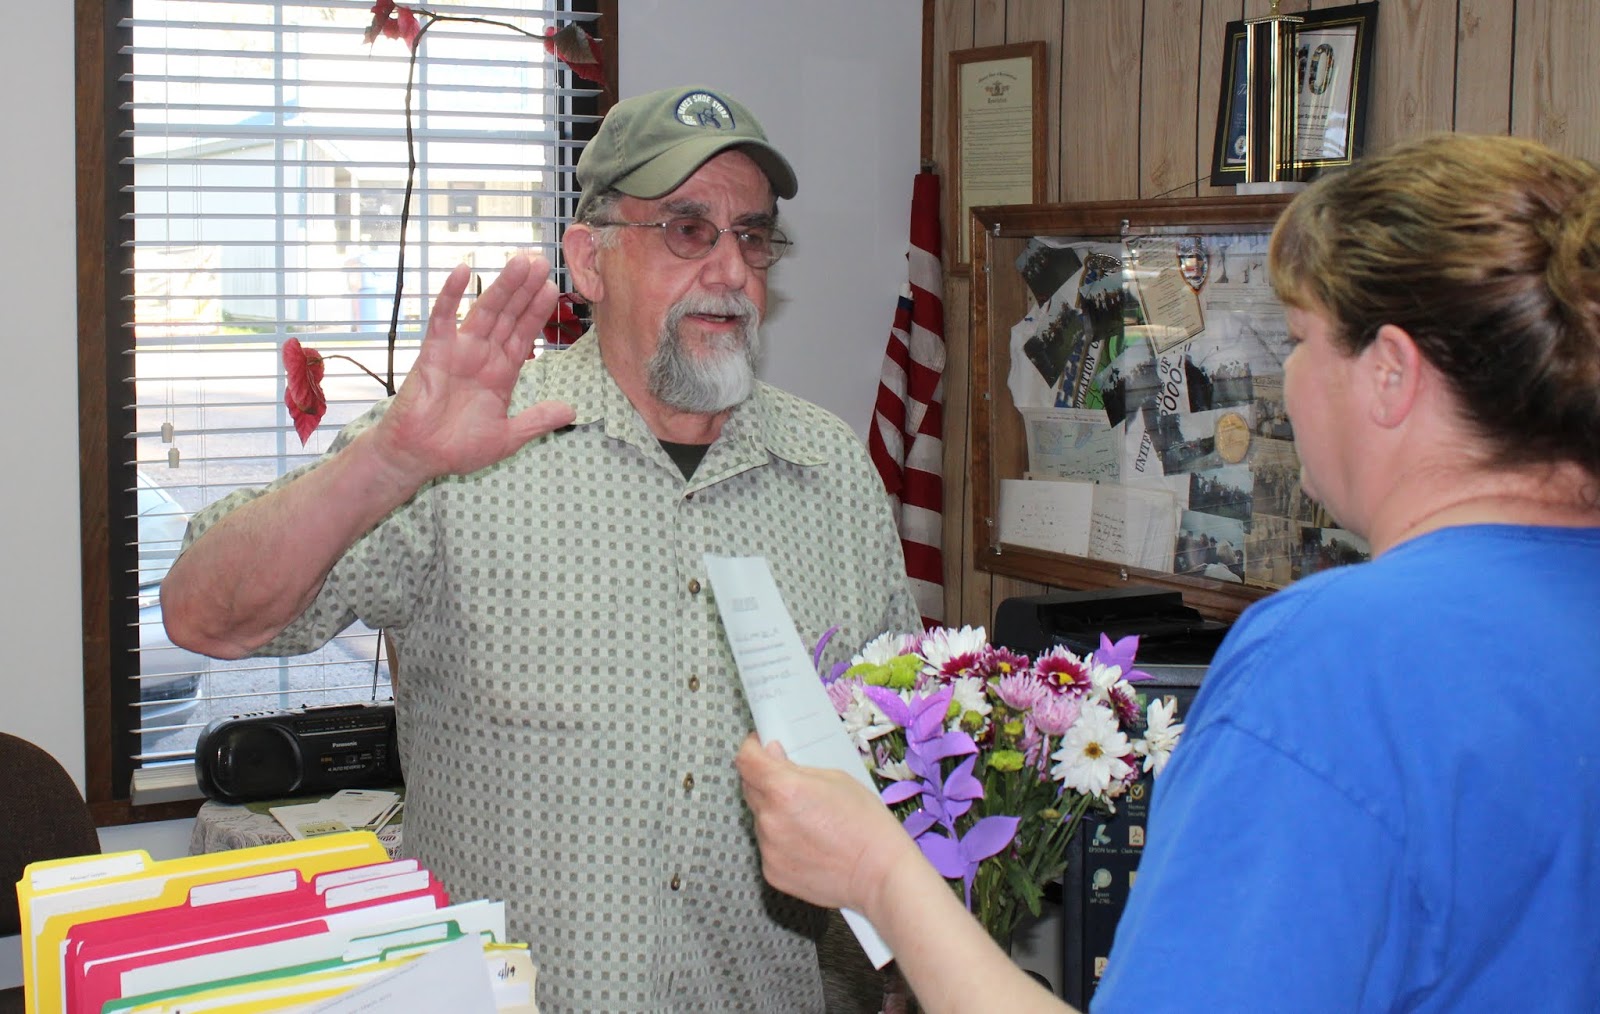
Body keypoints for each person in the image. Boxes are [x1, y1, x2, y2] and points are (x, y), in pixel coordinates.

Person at [737, 132, 1600, 1013]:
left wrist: (877, 870)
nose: (1285, 381)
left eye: (1298, 340)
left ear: (1389, 374)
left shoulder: (1338, 660)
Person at [163, 83, 918, 1012]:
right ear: (588, 262)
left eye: (752, 237)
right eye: (688, 231)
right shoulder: (461, 446)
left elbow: (905, 776)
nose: (730, 269)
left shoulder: (831, 472)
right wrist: (388, 459)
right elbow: (204, 613)